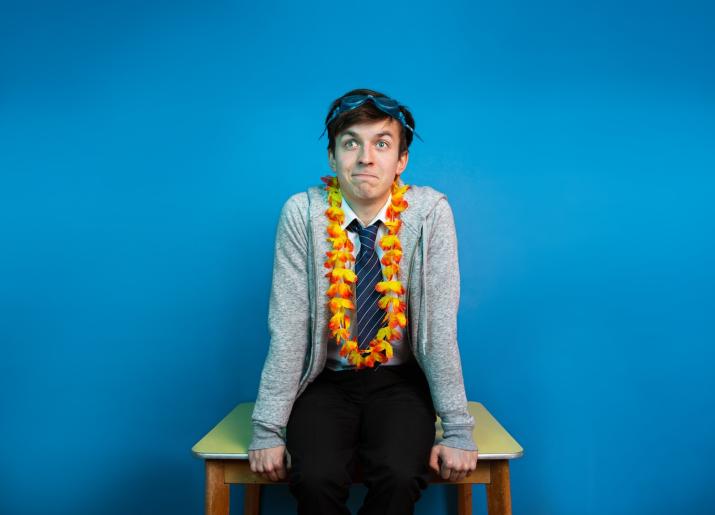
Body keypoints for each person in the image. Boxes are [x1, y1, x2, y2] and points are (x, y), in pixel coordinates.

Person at [248, 88, 478, 515]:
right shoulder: (303, 213)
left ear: (401, 161)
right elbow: (289, 328)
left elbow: (437, 329)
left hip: (399, 382)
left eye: (382, 144)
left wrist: (458, 429)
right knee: (314, 479)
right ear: (333, 159)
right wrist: (267, 428)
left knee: (399, 475)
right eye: (351, 142)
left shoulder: (429, 214)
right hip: (325, 382)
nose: (366, 157)